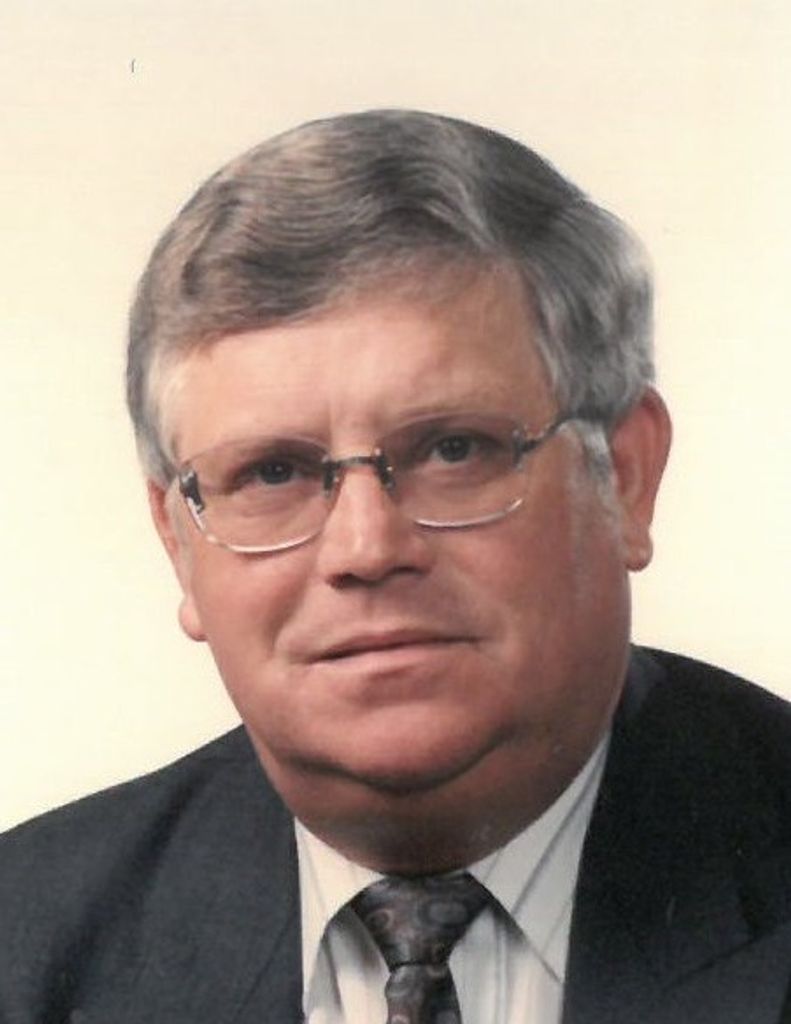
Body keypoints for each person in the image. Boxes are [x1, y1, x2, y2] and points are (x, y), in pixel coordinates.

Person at [1, 109, 790, 1024]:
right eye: (273, 473)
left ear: (624, 475)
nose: (366, 549)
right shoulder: (26, 947)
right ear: (179, 542)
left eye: (453, 450)